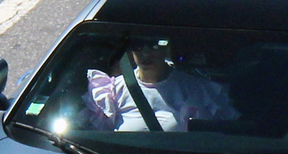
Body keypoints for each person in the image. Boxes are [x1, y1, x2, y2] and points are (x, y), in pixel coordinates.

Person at [85, 39, 237, 132]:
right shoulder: (111, 91)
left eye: (154, 45)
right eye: (138, 45)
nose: (145, 53)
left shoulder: (195, 89)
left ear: (167, 48)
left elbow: (209, 142)